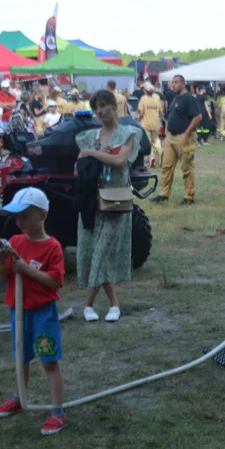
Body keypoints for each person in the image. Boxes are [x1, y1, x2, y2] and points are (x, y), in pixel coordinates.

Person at [0, 187, 67, 435]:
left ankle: (57, 411)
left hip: (42, 314)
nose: (19, 222)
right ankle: (19, 397)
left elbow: (55, 281)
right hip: (18, 311)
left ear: (43, 215)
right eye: (16, 217)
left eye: (25, 216)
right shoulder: (14, 242)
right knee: (21, 357)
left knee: (49, 360)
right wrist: (2, 259)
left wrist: (26, 269)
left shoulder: (52, 247)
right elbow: (5, 276)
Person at [75, 90, 144, 322]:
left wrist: (92, 154)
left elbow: (120, 161)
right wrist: (90, 156)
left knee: (102, 250)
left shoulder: (128, 133)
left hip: (116, 200)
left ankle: (88, 305)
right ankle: (114, 304)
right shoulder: (89, 136)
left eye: (104, 105)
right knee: (95, 251)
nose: (100, 111)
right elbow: (78, 168)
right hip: (92, 202)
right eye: (96, 107)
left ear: (115, 106)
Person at [155, 75, 202, 206]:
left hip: (184, 138)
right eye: (172, 83)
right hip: (171, 137)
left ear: (183, 84)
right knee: (166, 166)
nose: (173, 85)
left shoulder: (188, 98)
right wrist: (167, 137)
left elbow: (198, 117)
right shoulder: (175, 98)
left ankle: (189, 197)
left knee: (186, 167)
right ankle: (164, 194)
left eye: (176, 83)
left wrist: (186, 133)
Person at [138, 82, 162, 159]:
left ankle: (151, 158)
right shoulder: (157, 97)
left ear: (145, 90)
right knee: (156, 139)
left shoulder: (143, 99)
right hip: (155, 123)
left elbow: (141, 113)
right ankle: (160, 152)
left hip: (146, 124)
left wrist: (139, 120)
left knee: (148, 142)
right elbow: (160, 112)